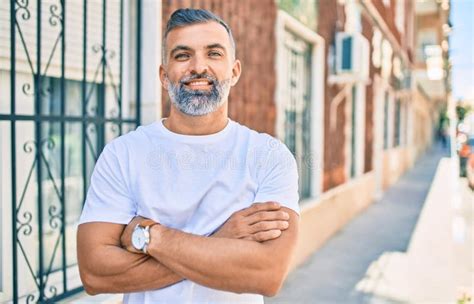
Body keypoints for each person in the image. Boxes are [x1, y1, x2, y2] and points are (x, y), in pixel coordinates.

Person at [77, 8, 300, 303]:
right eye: (182, 55)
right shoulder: (123, 154)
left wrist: (149, 236)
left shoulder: (268, 156)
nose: (198, 67)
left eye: (213, 54)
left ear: (234, 71)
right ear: (163, 74)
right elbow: (95, 274)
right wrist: (221, 239)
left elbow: (267, 274)